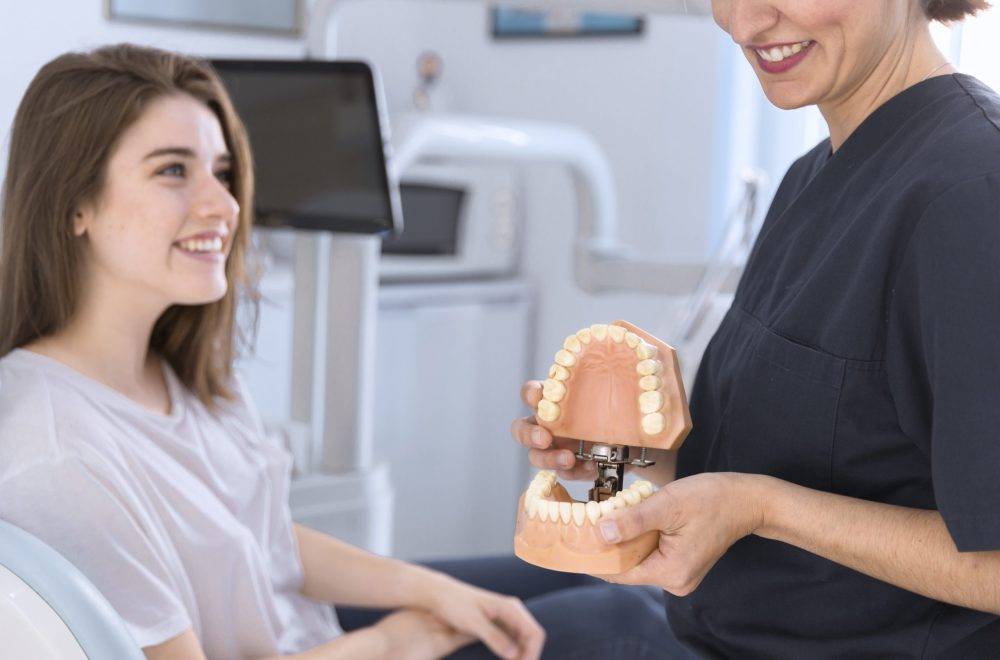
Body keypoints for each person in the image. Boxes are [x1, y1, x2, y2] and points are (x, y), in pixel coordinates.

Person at [0, 43, 546, 660]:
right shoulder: (56, 457)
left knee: (581, 576)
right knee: (620, 620)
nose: (226, 206)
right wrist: (395, 642)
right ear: (75, 204)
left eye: (222, 172)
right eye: (173, 170)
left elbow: (264, 540)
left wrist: (437, 592)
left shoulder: (182, 373)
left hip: (314, 632)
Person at [512, 0, 1000, 656]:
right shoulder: (810, 178)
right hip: (696, 624)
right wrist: (618, 450)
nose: (744, 23)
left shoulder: (973, 194)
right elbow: (769, 460)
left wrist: (762, 507)